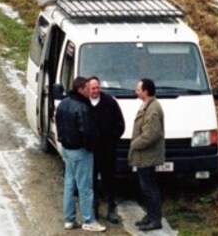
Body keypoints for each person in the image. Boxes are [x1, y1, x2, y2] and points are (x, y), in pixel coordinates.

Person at [55, 77, 107, 232]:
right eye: (86, 88)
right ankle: (88, 219)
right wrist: (92, 147)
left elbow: (58, 124)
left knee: (69, 184)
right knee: (85, 187)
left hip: (67, 149)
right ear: (81, 89)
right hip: (81, 151)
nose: (89, 90)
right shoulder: (82, 107)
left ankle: (69, 219)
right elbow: (86, 132)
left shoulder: (63, 104)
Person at [88, 76, 125, 224]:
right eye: (93, 89)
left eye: (97, 88)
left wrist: (112, 140)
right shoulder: (84, 103)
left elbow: (120, 124)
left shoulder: (110, 102)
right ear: (88, 89)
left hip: (108, 151)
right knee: (92, 181)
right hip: (91, 152)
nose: (96, 91)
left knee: (109, 181)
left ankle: (111, 209)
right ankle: (94, 209)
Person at [129, 78, 165, 232]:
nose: (136, 91)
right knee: (146, 187)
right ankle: (150, 216)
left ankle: (155, 219)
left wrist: (134, 144)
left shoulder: (153, 109)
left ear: (146, 91)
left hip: (148, 156)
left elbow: (152, 134)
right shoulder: (147, 105)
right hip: (145, 155)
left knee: (150, 188)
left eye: (138, 89)